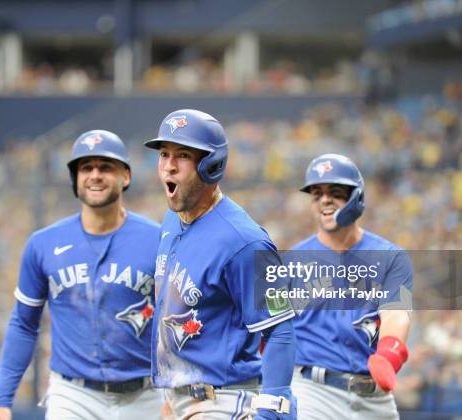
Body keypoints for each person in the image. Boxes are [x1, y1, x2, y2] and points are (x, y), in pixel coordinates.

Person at [0, 130, 162, 420]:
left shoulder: (157, 239)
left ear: (126, 176)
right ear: (75, 178)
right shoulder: (43, 244)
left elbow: (178, 320)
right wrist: (1, 402)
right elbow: (23, 323)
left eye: (105, 167)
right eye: (86, 167)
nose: (95, 175)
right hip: (74, 396)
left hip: (146, 395)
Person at [144, 109, 297, 419]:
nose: (169, 167)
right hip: (181, 401)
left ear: (210, 165)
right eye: (164, 154)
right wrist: (171, 396)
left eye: (182, 155)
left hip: (222, 402)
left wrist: (274, 405)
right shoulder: (171, 222)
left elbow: (280, 328)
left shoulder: (244, 241)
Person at [288, 153, 413, 419]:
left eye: (335, 191)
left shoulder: (390, 257)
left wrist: (388, 355)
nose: (325, 199)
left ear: (357, 197)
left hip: (374, 396)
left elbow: (396, 312)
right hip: (312, 391)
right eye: (316, 193)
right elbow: (272, 323)